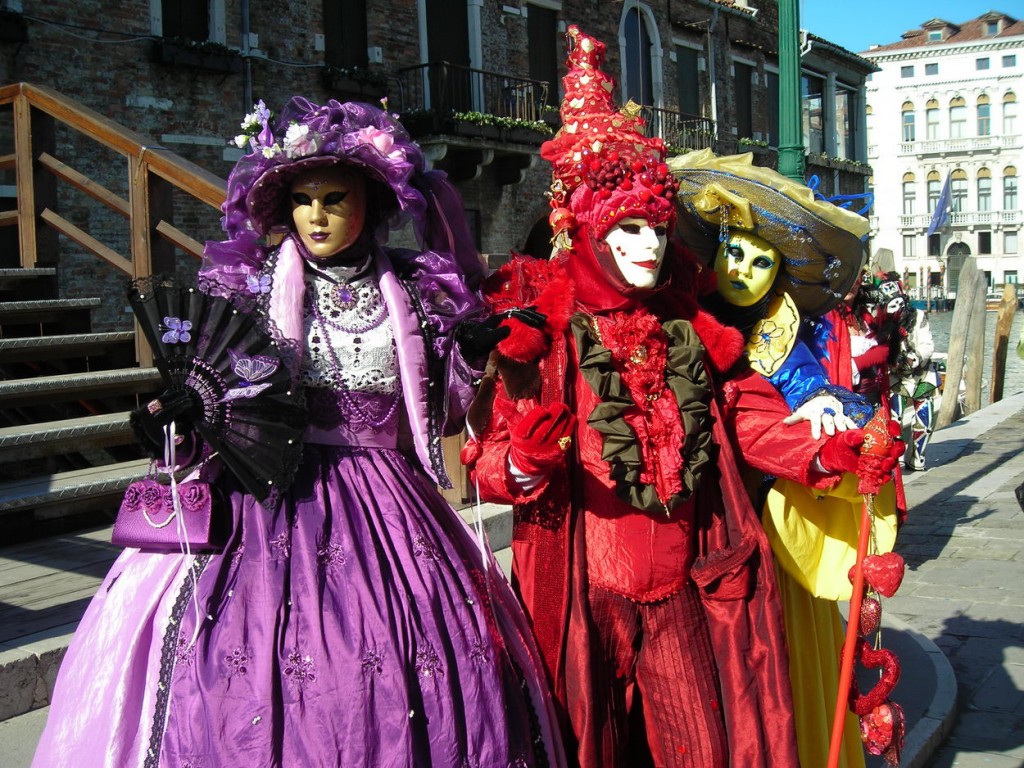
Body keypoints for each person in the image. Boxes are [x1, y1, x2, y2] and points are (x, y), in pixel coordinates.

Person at [33, 97, 565, 767]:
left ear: (369, 201)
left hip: (390, 500)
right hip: (271, 490)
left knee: (408, 647)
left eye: (334, 198)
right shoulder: (252, 290)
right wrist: (179, 414)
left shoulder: (411, 291)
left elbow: (442, 413)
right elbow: (225, 393)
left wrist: (468, 354)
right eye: (303, 200)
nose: (316, 215)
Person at [462, 27, 887, 768]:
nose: (648, 248)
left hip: (688, 588)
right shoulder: (545, 333)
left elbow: (752, 419)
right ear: (588, 234)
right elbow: (489, 463)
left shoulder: (691, 327)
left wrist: (827, 449)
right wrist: (526, 456)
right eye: (627, 230)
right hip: (583, 600)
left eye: (656, 229)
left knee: (699, 746)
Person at [671, 149, 903, 768]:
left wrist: (831, 423)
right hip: (684, 525)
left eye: (761, 260)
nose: (743, 269)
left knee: (778, 692)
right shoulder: (678, 317)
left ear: (778, 276)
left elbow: (790, 417)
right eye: (735, 252)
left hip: (762, 539)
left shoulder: (782, 348)